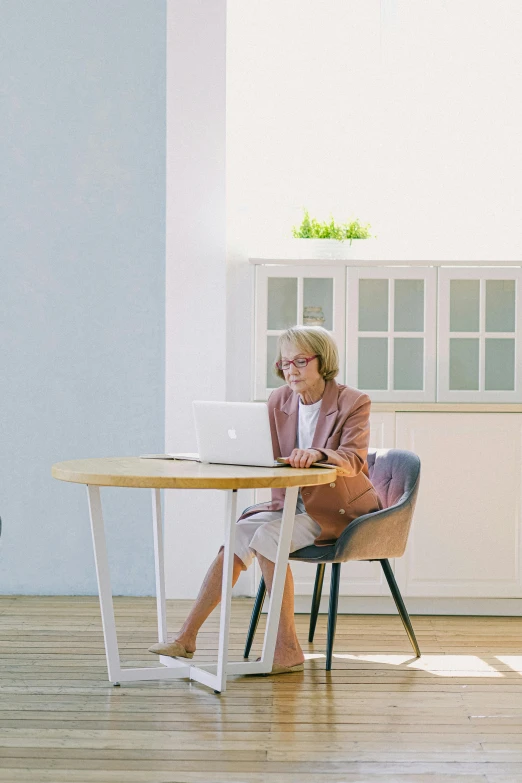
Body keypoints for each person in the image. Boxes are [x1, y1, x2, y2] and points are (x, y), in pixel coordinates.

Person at [149, 326, 382, 673]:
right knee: (238, 536)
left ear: (323, 361)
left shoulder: (353, 401)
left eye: (300, 361)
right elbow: (265, 453)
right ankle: (186, 638)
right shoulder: (279, 400)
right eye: (284, 363)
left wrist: (318, 453)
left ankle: (286, 648)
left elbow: (353, 459)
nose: (291, 370)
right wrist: (224, 453)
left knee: (267, 537)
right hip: (290, 504)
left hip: (338, 510)